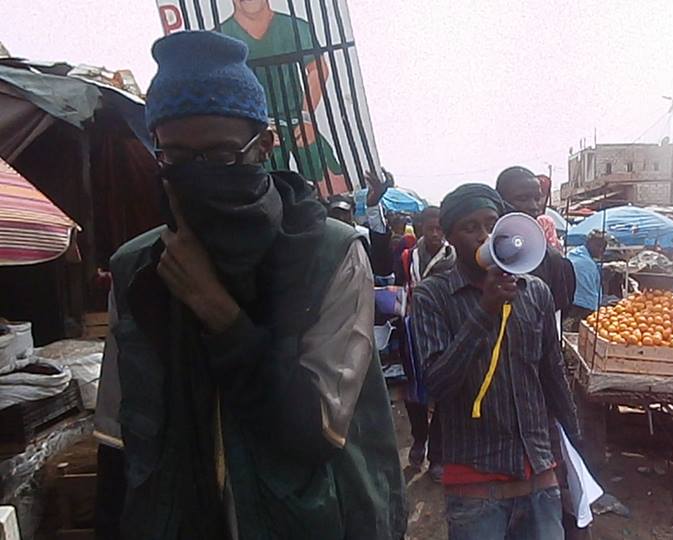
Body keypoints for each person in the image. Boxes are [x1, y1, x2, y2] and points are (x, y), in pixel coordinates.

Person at [92, 31, 404, 539]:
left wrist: (218, 311)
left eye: (219, 157)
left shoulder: (329, 253)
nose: (197, 175)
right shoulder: (137, 269)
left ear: (264, 145)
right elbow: (118, 440)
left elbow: (314, 432)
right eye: (175, 158)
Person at [413, 184, 579, 540]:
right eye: (470, 228)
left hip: (538, 472)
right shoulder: (433, 295)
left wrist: (575, 451)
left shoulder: (534, 291)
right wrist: (485, 311)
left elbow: (552, 374)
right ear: (450, 237)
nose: (485, 236)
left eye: (491, 224)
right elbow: (437, 384)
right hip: (475, 483)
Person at [220, 0, 347, 194]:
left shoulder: (295, 27)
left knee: (335, 186)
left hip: (297, 120)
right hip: (255, 131)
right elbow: (220, 90)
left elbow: (318, 69)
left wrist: (306, 117)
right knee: (261, 191)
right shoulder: (221, 37)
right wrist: (251, 127)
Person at [395, 206, 456, 482]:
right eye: (430, 228)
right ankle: (419, 440)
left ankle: (438, 456)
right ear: (420, 229)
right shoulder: (407, 257)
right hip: (411, 332)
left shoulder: (454, 259)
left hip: (444, 330)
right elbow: (397, 290)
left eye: (440, 229)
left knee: (443, 392)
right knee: (414, 391)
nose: (435, 234)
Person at [496, 167, 576, 325]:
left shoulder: (551, 259)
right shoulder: (478, 250)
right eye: (522, 198)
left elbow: (554, 319)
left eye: (537, 198)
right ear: (499, 200)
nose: (534, 206)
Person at [564, 230, 607, 331]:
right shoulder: (586, 263)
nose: (601, 250)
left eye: (604, 248)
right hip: (580, 309)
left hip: (573, 306)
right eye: (598, 246)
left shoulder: (574, 255)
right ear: (588, 243)